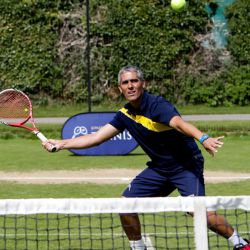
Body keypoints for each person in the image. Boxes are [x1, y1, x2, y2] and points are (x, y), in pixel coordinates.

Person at [43, 65, 250, 250]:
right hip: (159, 169)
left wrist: (202, 137)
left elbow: (179, 123)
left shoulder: (157, 105)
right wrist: (61, 144)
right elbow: (97, 137)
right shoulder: (124, 114)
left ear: (143, 83)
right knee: (124, 205)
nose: (130, 86)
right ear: (120, 88)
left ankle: (240, 243)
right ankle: (138, 247)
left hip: (185, 165)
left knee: (195, 210)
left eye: (134, 81)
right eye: (126, 82)